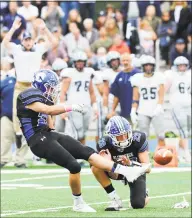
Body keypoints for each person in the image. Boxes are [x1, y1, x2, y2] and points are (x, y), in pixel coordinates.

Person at [17, 69, 150, 212]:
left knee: (88, 152)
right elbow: (46, 110)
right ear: (40, 85)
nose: (52, 90)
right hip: (37, 139)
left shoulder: (43, 98)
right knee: (74, 166)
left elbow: (49, 120)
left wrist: (54, 131)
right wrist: (70, 107)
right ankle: (78, 203)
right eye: (50, 87)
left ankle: (125, 174)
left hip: (48, 135)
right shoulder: (27, 94)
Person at [2, 17, 57, 168]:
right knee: (16, 114)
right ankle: (19, 136)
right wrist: (13, 28)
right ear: (22, 40)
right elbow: (4, 43)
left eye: (29, 40)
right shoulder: (17, 49)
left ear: (32, 41)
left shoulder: (38, 49)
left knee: (35, 117)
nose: (27, 42)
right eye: (25, 40)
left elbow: (54, 43)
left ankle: (35, 149)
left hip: (33, 87)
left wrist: (45, 30)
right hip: (20, 86)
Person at [91, 116, 151, 211]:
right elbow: (114, 176)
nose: (123, 138)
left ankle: (144, 193)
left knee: (137, 204)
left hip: (135, 170)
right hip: (116, 171)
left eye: (125, 134)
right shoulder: (104, 144)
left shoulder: (139, 138)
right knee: (95, 164)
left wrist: (130, 163)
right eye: (119, 136)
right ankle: (114, 198)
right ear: (111, 136)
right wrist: (109, 163)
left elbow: (147, 168)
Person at [59, 51, 99, 146]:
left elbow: (92, 92)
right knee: (77, 131)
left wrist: (95, 107)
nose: (80, 64)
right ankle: (73, 152)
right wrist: (63, 109)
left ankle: (81, 153)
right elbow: (63, 93)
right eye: (78, 61)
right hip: (74, 106)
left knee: (84, 132)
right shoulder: (69, 73)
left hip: (87, 106)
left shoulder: (88, 73)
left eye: (82, 61)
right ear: (74, 62)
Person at [130, 55, 165, 146]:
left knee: (161, 135)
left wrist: (159, 106)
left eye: (150, 65)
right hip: (143, 110)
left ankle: (162, 157)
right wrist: (133, 110)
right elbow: (135, 97)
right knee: (143, 137)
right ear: (143, 66)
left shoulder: (159, 77)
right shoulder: (137, 78)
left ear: (154, 66)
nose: (148, 67)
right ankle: (146, 157)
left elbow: (161, 95)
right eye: (146, 65)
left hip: (156, 109)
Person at [164, 56, 191, 163]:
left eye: (184, 65)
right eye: (180, 65)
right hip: (176, 106)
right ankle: (187, 153)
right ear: (175, 66)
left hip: (188, 105)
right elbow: (164, 89)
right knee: (183, 130)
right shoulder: (171, 75)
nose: (182, 68)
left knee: (187, 131)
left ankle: (180, 153)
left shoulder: (189, 76)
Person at [107, 53, 141, 122]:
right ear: (121, 62)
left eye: (127, 60)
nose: (125, 62)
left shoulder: (138, 74)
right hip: (124, 109)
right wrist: (113, 110)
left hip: (139, 109)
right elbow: (116, 95)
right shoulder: (119, 75)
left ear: (131, 61)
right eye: (123, 60)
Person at [102, 51, 121, 118]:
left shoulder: (123, 72)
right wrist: (105, 107)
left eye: (115, 60)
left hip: (123, 102)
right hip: (111, 102)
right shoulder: (107, 73)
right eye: (112, 61)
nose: (114, 63)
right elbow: (105, 92)